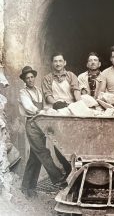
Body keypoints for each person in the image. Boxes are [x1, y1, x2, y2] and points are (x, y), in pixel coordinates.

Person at [19, 66, 66, 198]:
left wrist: (51, 109)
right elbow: (29, 107)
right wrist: (42, 112)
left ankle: (27, 187)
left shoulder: (39, 91)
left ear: (34, 77)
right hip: (32, 125)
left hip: (41, 125)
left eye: (32, 77)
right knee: (43, 152)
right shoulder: (23, 92)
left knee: (35, 158)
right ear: (24, 80)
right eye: (27, 78)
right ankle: (58, 178)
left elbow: (44, 106)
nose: (30, 80)